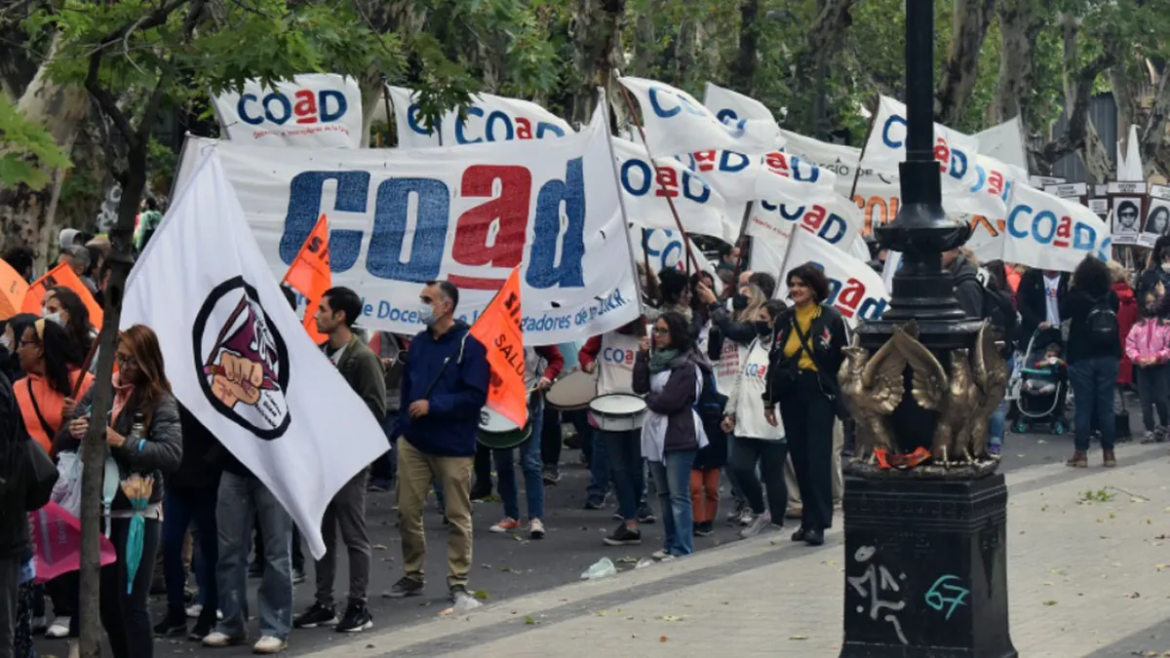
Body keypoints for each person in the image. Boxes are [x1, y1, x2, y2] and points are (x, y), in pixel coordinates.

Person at [59, 325, 182, 658]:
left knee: (132, 602)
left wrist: (121, 441)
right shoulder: (102, 389)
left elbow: (171, 454)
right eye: (119, 358)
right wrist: (75, 428)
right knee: (106, 603)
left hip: (138, 511)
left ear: (146, 362)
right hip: (99, 509)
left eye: (130, 360)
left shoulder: (160, 399)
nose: (123, 367)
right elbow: (68, 438)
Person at [386, 280, 488, 606]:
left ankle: (458, 580)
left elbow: (475, 396)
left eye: (427, 299)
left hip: (454, 445)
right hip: (415, 441)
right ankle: (412, 574)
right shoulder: (418, 343)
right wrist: (404, 425)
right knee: (406, 511)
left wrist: (435, 406)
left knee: (458, 516)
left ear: (446, 306)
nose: (421, 304)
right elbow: (407, 389)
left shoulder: (470, 345)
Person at [292, 287, 385, 633]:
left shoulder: (362, 358)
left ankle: (359, 605)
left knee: (353, 534)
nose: (316, 314)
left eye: (322, 309)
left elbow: (375, 410)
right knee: (320, 533)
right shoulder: (319, 354)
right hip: (320, 460)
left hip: (348, 460)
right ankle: (324, 602)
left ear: (341, 316)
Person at [764, 264, 848, 547]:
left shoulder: (832, 318)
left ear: (814, 288)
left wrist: (845, 400)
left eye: (801, 284)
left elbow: (846, 363)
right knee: (798, 458)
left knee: (818, 459)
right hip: (791, 392)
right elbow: (775, 360)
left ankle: (820, 524)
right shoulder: (784, 319)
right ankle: (807, 520)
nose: (795, 289)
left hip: (820, 394)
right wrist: (769, 399)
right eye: (792, 284)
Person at [633, 311, 709, 559]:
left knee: (678, 494)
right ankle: (669, 543)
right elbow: (639, 386)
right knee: (663, 494)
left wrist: (649, 399)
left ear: (676, 333)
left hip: (679, 433)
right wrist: (641, 358)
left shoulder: (686, 364)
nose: (658, 335)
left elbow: (669, 401)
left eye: (664, 331)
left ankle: (682, 546)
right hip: (655, 432)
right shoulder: (656, 360)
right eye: (657, 330)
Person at [579, 319, 656, 546]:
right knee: (618, 468)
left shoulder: (650, 334)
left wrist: (649, 354)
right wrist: (588, 364)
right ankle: (630, 521)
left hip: (639, 407)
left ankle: (634, 510)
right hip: (608, 406)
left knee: (635, 467)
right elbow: (585, 353)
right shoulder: (604, 332)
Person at [724, 300, 789, 538]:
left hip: (774, 424)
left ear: (776, 320)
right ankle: (761, 511)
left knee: (773, 474)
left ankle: (777, 523)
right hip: (745, 420)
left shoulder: (784, 348)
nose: (757, 321)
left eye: (763, 317)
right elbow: (741, 379)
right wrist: (730, 411)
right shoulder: (754, 344)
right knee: (739, 467)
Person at [154, 407, 221, 640]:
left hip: (206, 479)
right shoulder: (173, 391)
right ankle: (175, 612)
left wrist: (211, 460)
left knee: (208, 547)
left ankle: (210, 611)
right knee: (170, 544)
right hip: (178, 479)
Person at [488, 345, 562, 540]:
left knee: (531, 461)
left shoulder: (535, 330)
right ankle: (511, 515)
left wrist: (547, 375)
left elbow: (556, 359)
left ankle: (536, 518)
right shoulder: (494, 329)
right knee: (503, 462)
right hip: (499, 405)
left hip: (529, 404)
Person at [1064, 256, 1121, 468]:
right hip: (1108, 354)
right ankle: (1109, 452)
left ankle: (1081, 453)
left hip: (1081, 355)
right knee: (1106, 405)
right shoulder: (1110, 296)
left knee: (1083, 405)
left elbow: (1063, 312)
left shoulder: (1076, 297)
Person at [13, 319, 92, 454]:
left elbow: (102, 427)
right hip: (31, 472)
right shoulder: (18, 387)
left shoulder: (83, 382)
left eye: (23, 344)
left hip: (68, 470)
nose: (18, 350)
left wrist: (79, 413)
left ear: (40, 348)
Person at [1125, 289, 1170, 444]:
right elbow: (1130, 345)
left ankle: (1164, 425)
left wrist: (1158, 357)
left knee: (1161, 398)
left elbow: (1168, 346)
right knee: (1145, 400)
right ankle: (1149, 428)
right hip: (1143, 366)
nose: (1150, 306)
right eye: (1148, 302)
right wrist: (1137, 358)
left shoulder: (1164, 326)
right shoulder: (1137, 327)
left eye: (1154, 302)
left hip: (1159, 366)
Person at [1017, 267, 1070, 346]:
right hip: (1036, 333)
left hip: (1059, 333)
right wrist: (1037, 322)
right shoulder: (1031, 276)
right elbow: (1022, 303)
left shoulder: (1067, 278)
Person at [43, 288, 95, 368]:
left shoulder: (93, 343)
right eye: (46, 309)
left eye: (53, 310)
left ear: (68, 314)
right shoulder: (50, 341)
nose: (47, 315)